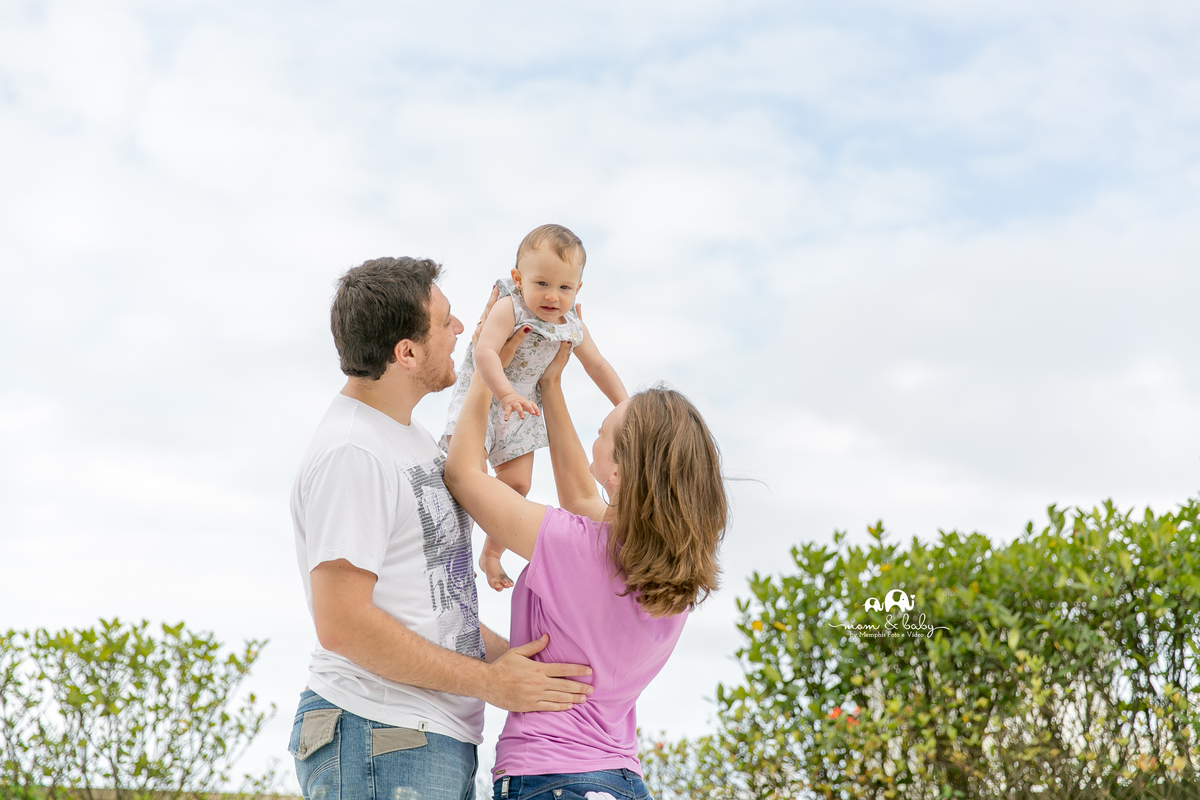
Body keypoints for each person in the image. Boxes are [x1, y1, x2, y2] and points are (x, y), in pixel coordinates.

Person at [288, 257, 595, 800]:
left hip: (421, 738)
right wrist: (491, 684)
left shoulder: (411, 440)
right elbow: (342, 624)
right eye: (446, 321)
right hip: (377, 733)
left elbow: (432, 610)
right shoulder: (353, 453)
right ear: (406, 352)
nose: (461, 331)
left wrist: (530, 667)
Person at [443, 335, 727, 800]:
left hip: (551, 776)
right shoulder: (675, 578)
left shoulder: (576, 546)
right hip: (621, 779)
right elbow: (580, 497)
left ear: (617, 472)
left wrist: (483, 368)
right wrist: (550, 384)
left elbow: (463, 475)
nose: (593, 438)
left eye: (600, 432)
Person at [441, 224, 627, 592]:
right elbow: (484, 351)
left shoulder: (572, 324)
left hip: (523, 407)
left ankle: (492, 554)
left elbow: (598, 365)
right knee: (471, 474)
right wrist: (506, 394)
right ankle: (451, 550)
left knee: (518, 484)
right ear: (518, 277)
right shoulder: (511, 307)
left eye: (564, 287)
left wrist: (626, 405)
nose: (552, 297)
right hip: (487, 398)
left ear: (578, 289)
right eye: (541, 283)